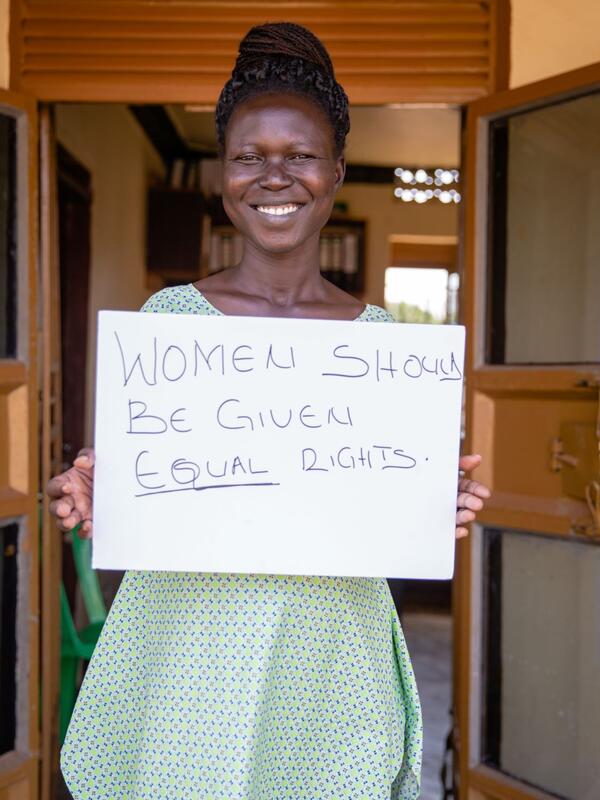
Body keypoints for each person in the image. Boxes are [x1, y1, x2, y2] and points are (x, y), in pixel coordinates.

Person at [48, 22, 490, 800]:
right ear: (225, 171)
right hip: (190, 652)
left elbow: (380, 495)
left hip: (329, 660)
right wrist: (97, 491)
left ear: (337, 170)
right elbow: (146, 475)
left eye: (300, 156)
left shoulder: (382, 343)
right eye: (250, 155)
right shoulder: (169, 322)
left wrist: (429, 502)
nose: (273, 176)